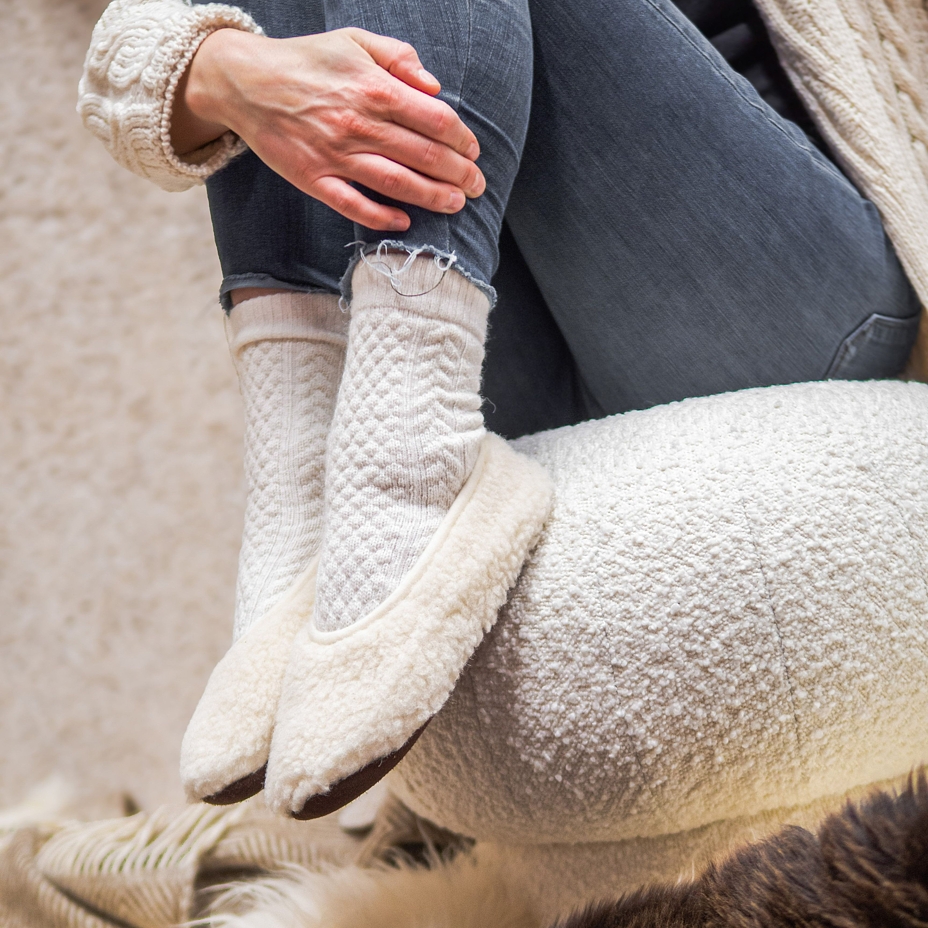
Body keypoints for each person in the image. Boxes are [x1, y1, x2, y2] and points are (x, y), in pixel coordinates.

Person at [79, 0, 925, 818]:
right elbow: (131, 60)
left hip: (778, 298)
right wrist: (230, 73)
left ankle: (403, 434)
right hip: (506, 323)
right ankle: (309, 425)